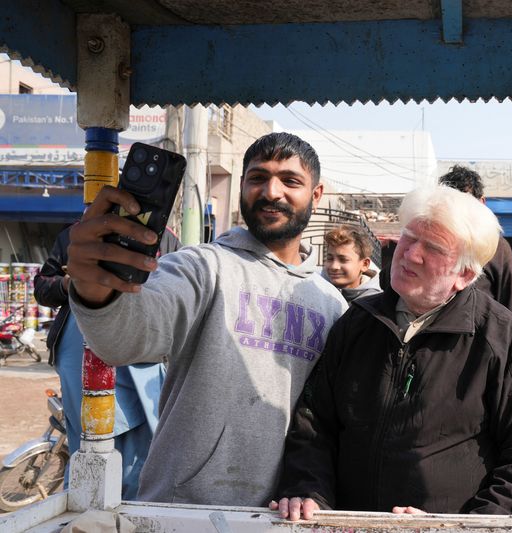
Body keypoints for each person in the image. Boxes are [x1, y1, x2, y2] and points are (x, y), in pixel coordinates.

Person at [66, 132, 348, 506]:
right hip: (181, 511)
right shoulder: (201, 266)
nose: (272, 192)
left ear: (316, 194)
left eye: (290, 180)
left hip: (282, 518)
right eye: (258, 178)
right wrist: (96, 289)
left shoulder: (332, 304)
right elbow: (125, 339)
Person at [272, 186, 512, 520]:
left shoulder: (502, 338)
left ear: (464, 275)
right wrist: (309, 491)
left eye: (433, 248)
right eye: (408, 238)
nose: (410, 254)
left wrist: (464, 528)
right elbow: (314, 422)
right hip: (346, 526)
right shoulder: (358, 322)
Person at [33, 225, 180, 499]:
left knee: (141, 453)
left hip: (141, 355)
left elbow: (181, 296)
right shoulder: (76, 234)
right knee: (86, 449)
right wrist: (75, 283)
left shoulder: (163, 237)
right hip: (79, 354)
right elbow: (43, 287)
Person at [438, 165, 512, 314]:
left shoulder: (497, 247)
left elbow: (508, 305)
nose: (460, 210)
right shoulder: (431, 240)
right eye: (453, 203)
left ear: (481, 202)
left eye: (466, 202)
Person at [322, 225, 382, 303]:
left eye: (343, 260)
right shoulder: (315, 290)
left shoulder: (376, 303)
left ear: (365, 264)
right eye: (330, 259)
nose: (334, 266)